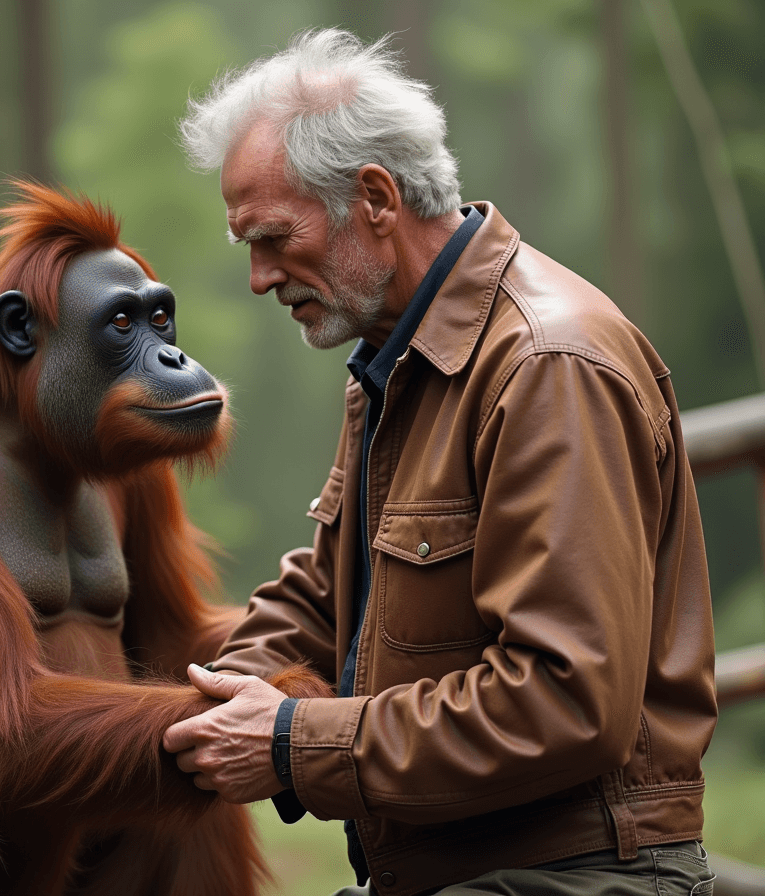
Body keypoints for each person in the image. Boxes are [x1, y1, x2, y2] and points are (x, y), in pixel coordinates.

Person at [162, 28, 718, 896]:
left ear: (375, 197)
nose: (259, 278)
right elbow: (324, 591)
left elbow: (566, 701)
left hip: (579, 875)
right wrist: (218, 694)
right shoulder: (402, 358)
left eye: (271, 239)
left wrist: (287, 743)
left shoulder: (544, 368)